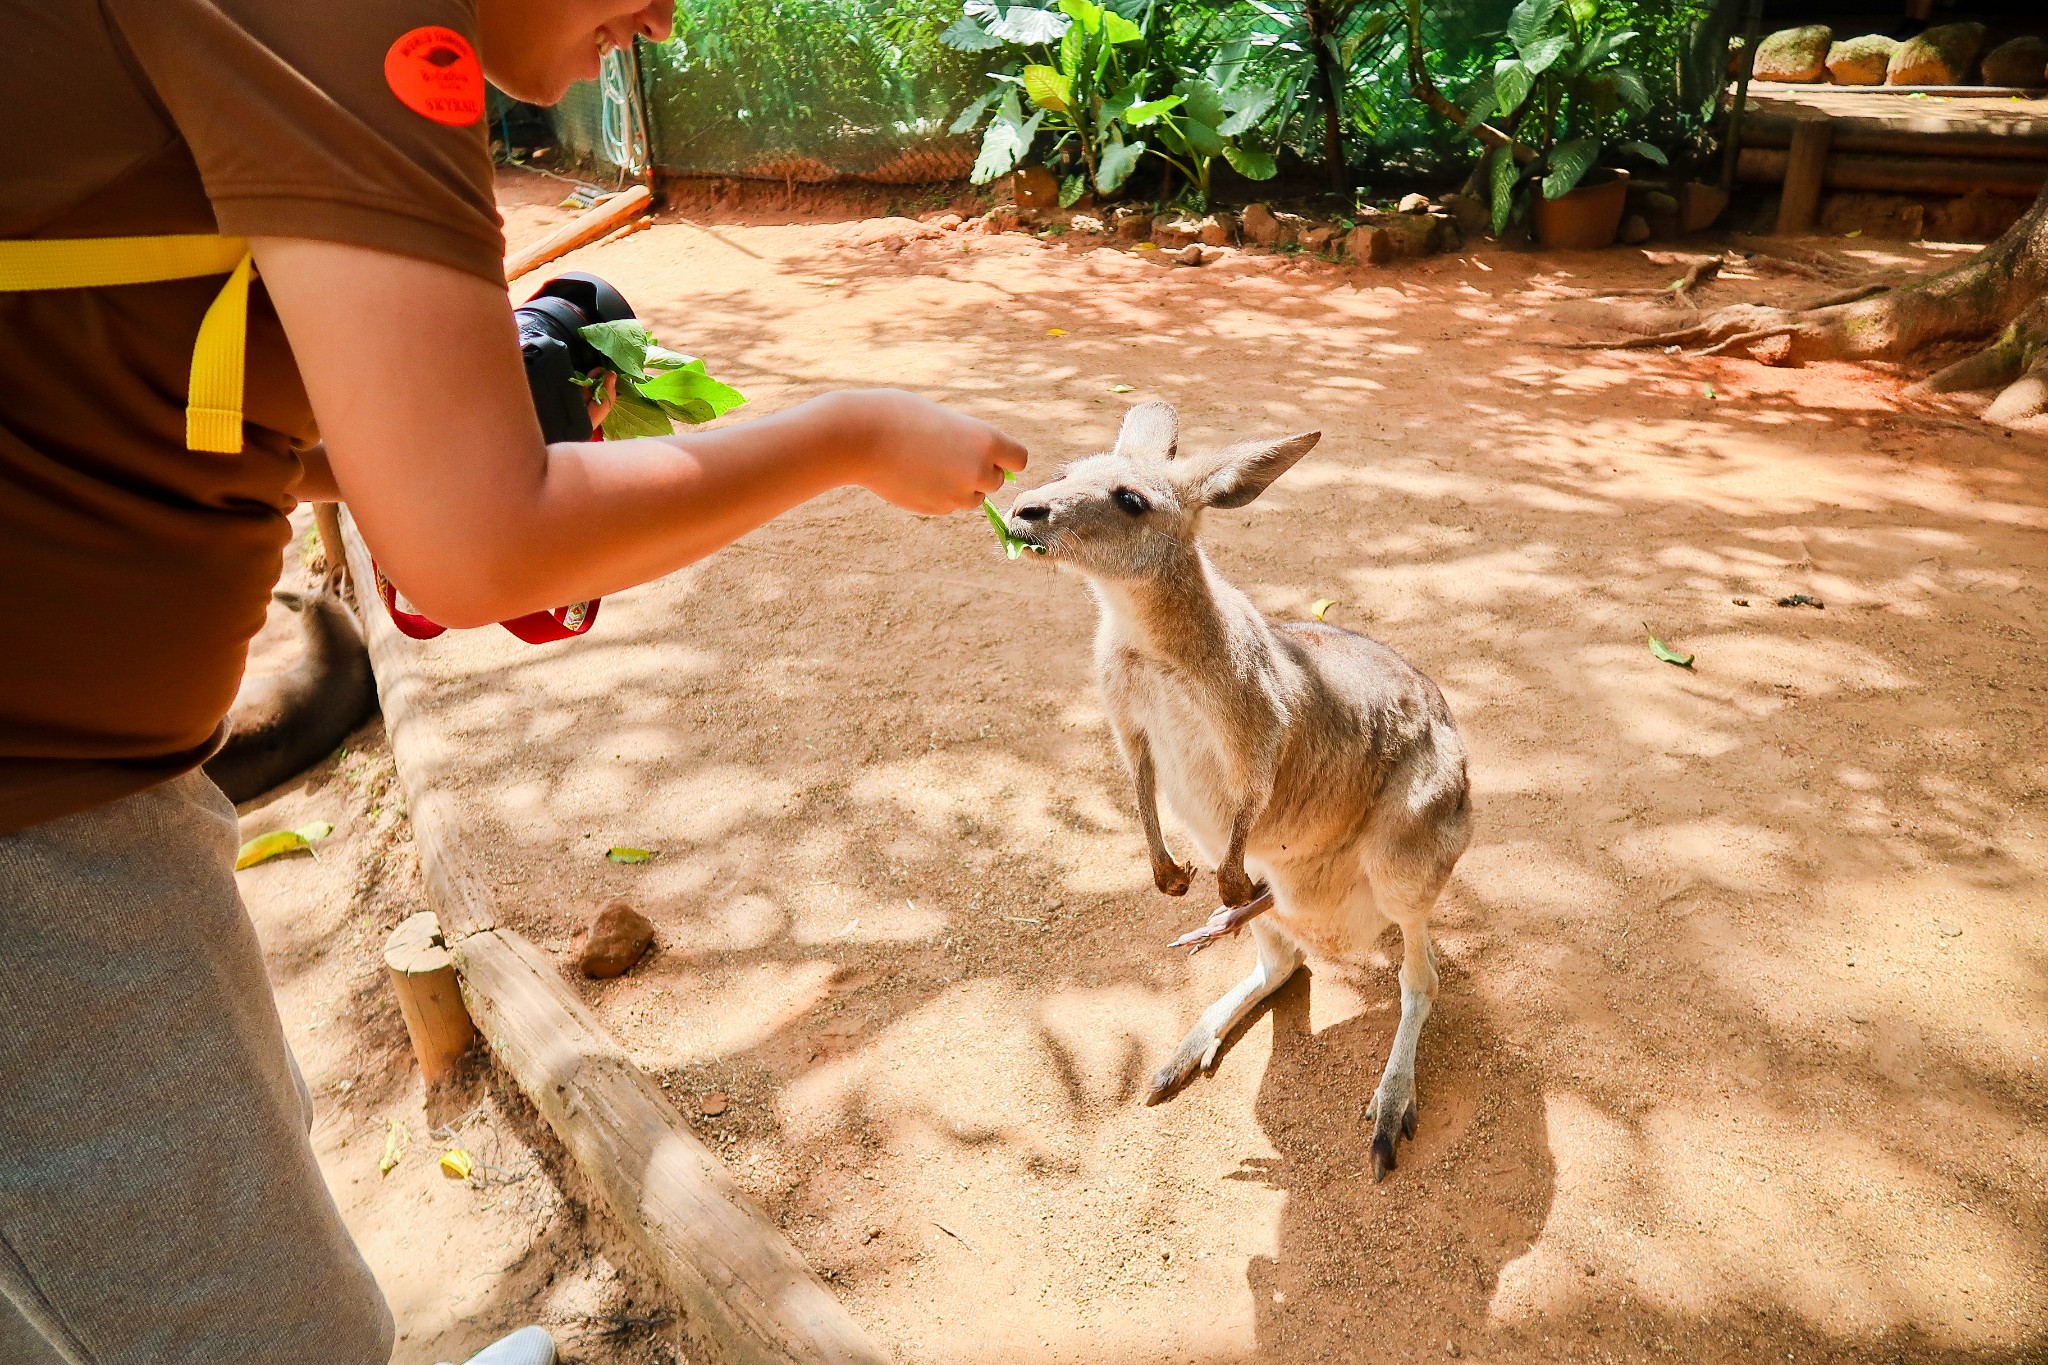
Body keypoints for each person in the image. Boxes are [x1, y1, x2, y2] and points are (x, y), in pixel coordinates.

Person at [0, 0, 1026, 1361]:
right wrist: (850, 434)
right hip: (38, 835)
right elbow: (481, 542)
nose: (665, 16)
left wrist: (474, 403)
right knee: (253, 1323)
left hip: (83, 780)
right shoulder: (339, 20)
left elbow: (163, 370)